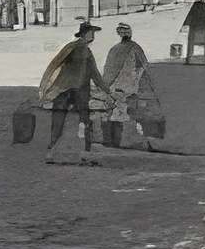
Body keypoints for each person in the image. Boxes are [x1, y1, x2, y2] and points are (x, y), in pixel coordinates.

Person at [39, 21, 112, 165]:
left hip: (77, 91)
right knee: (61, 122)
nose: (93, 35)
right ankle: (52, 152)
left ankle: (84, 155)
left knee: (82, 122)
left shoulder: (87, 52)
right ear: (84, 34)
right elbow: (54, 64)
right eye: (91, 32)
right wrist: (43, 87)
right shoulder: (72, 47)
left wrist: (108, 92)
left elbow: (95, 75)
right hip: (65, 90)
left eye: (93, 32)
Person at [102, 22, 158, 150]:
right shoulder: (133, 48)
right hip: (128, 88)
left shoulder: (115, 49)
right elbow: (144, 66)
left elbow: (107, 70)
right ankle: (118, 142)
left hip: (118, 88)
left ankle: (114, 142)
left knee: (116, 115)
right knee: (124, 115)